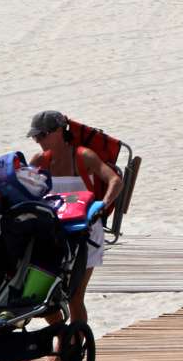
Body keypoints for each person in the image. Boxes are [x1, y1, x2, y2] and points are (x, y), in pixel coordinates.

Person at [26, 111, 122, 331]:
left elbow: (114, 181)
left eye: (42, 135)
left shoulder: (83, 156)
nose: (38, 141)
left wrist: (102, 205)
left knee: (75, 296)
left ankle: (74, 348)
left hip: (86, 233)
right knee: (42, 296)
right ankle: (62, 334)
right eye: (35, 137)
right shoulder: (40, 161)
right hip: (54, 234)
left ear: (59, 131)